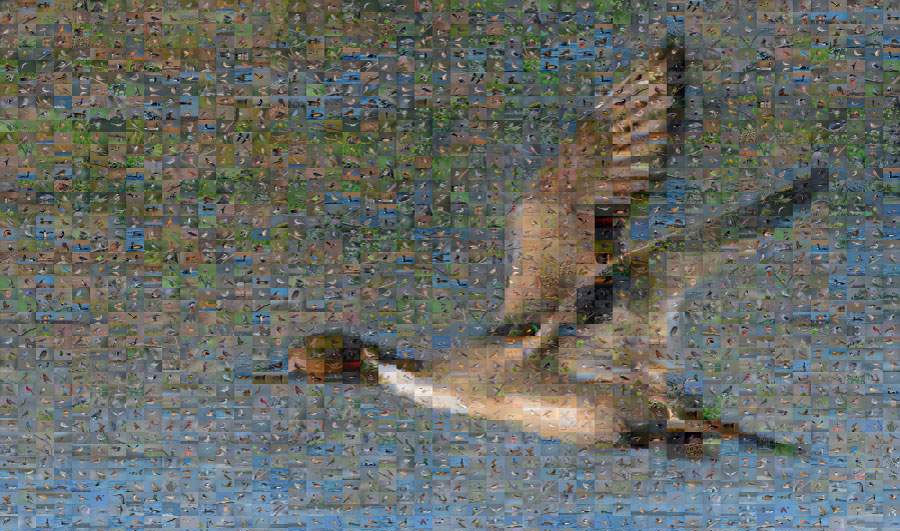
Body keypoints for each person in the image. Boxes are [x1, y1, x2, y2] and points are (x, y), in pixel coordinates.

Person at [290, 42, 812, 451]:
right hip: (618, 421)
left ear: (349, 364)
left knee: (548, 208)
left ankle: (686, 432)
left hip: (639, 411)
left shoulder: (511, 355)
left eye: (305, 369)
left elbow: (677, 258)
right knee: (545, 214)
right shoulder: (458, 374)